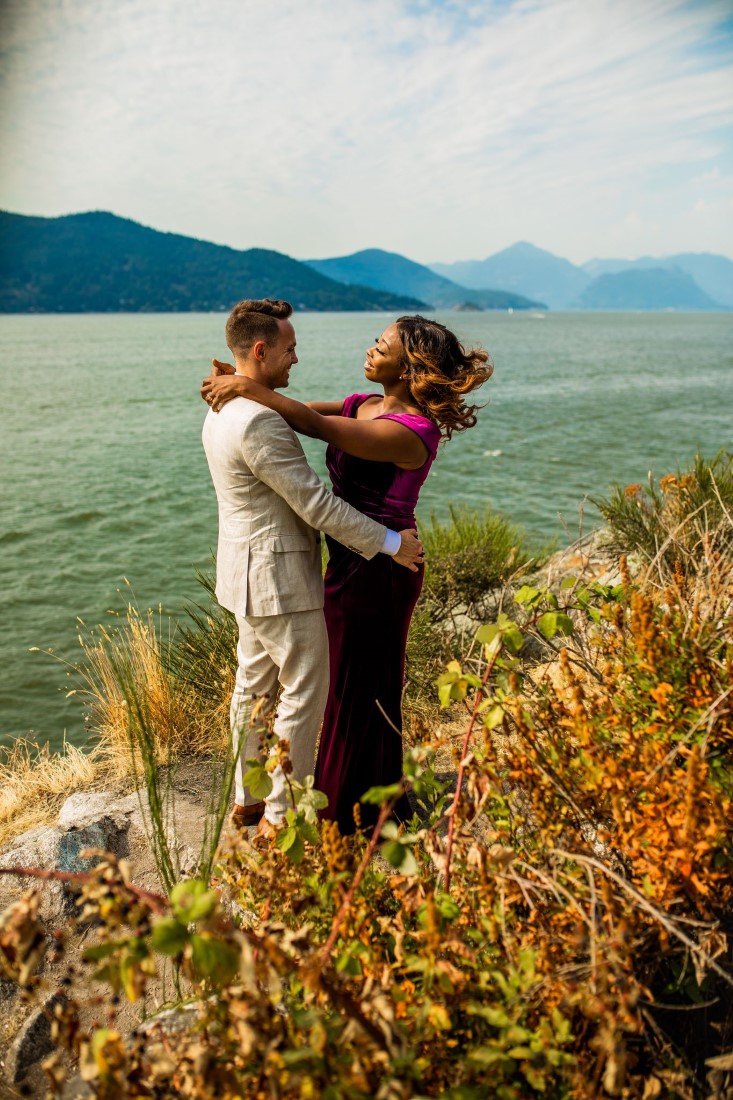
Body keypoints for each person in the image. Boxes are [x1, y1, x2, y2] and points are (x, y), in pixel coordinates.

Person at [203, 313, 492, 834]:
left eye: (381, 346)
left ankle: (353, 810)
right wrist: (250, 388)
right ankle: (323, 797)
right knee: (333, 688)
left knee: (359, 689)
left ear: (408, 368)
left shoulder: (410, 432)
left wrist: (248, 383)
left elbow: (313, 426)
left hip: (385, 566)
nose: (369, 350)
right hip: (348, 562)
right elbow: (295, 412)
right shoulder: (367, 404)